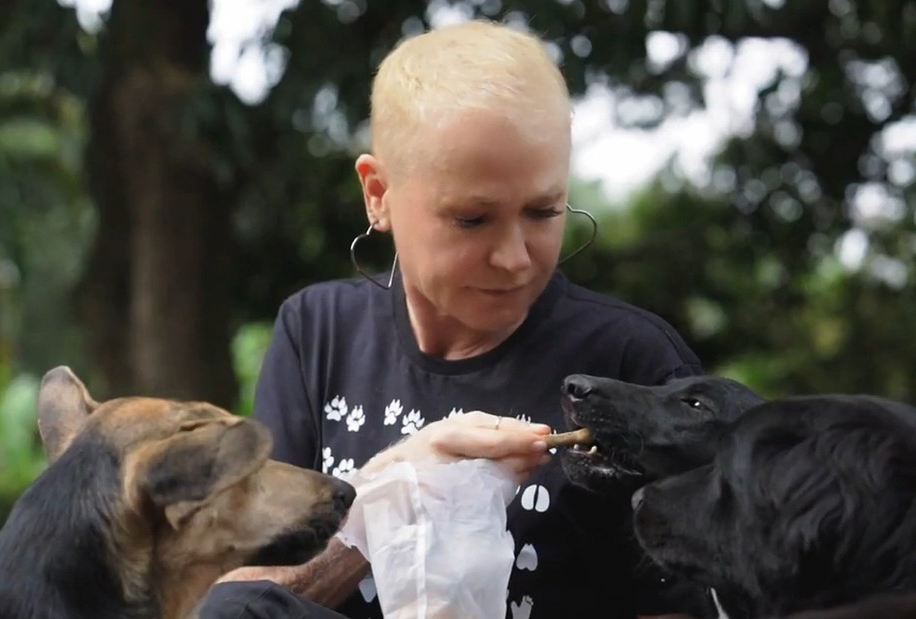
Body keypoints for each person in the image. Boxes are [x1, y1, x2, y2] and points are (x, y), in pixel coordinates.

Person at [202, 19, 705, 619]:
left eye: (544, 212)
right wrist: (393, 492)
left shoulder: (631, 362)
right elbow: (241, 602)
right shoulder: (317, 333)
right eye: (472, 219)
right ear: (378, 193)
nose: (516, 257)